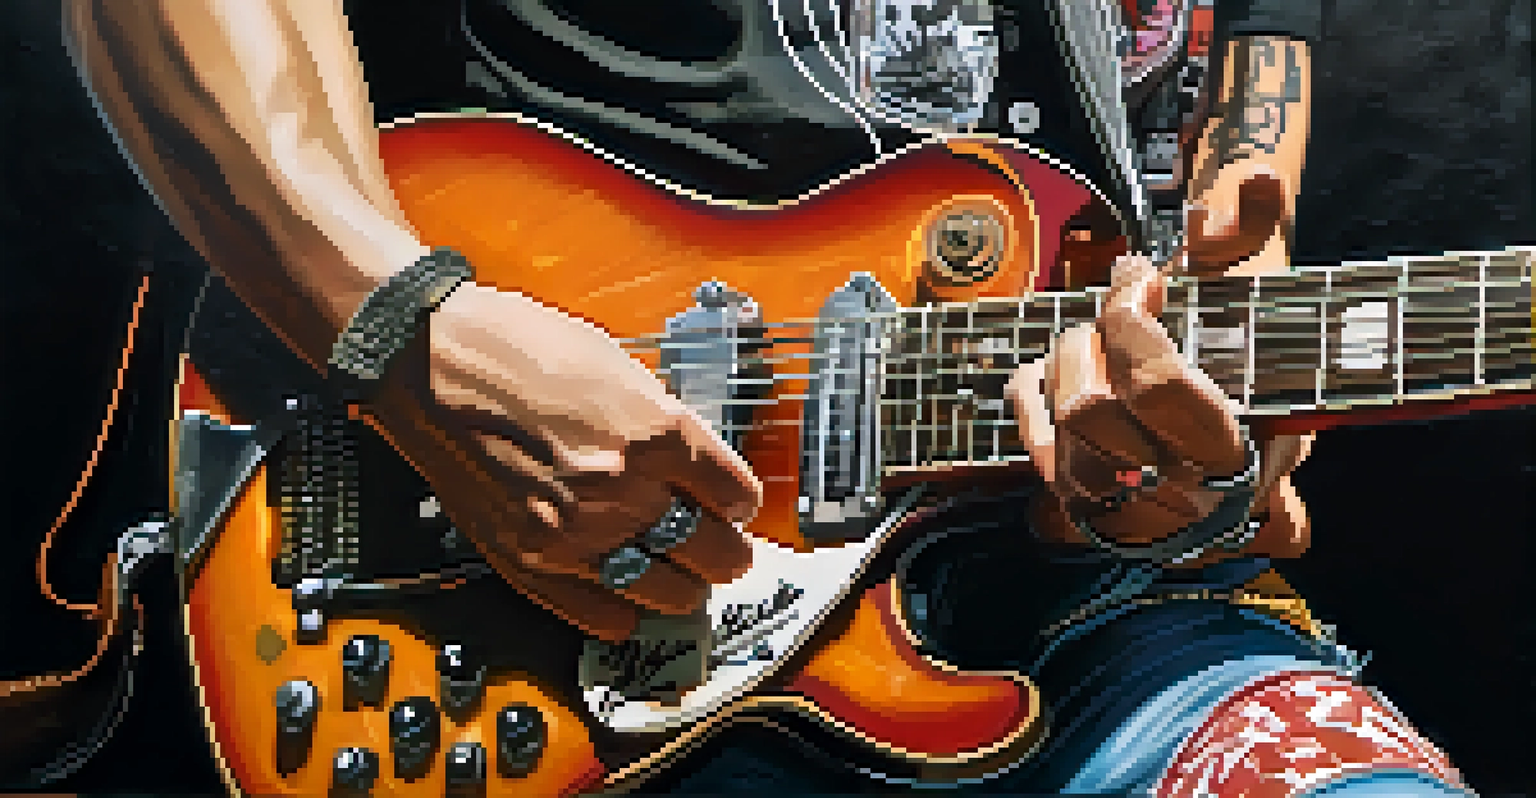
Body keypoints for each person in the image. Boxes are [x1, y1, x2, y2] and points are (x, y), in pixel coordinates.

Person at [51, 0, 1472, 794]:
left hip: (1087, 616)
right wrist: (411, 337)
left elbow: (1208, 229)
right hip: (541, 628)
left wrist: (1193, 442)